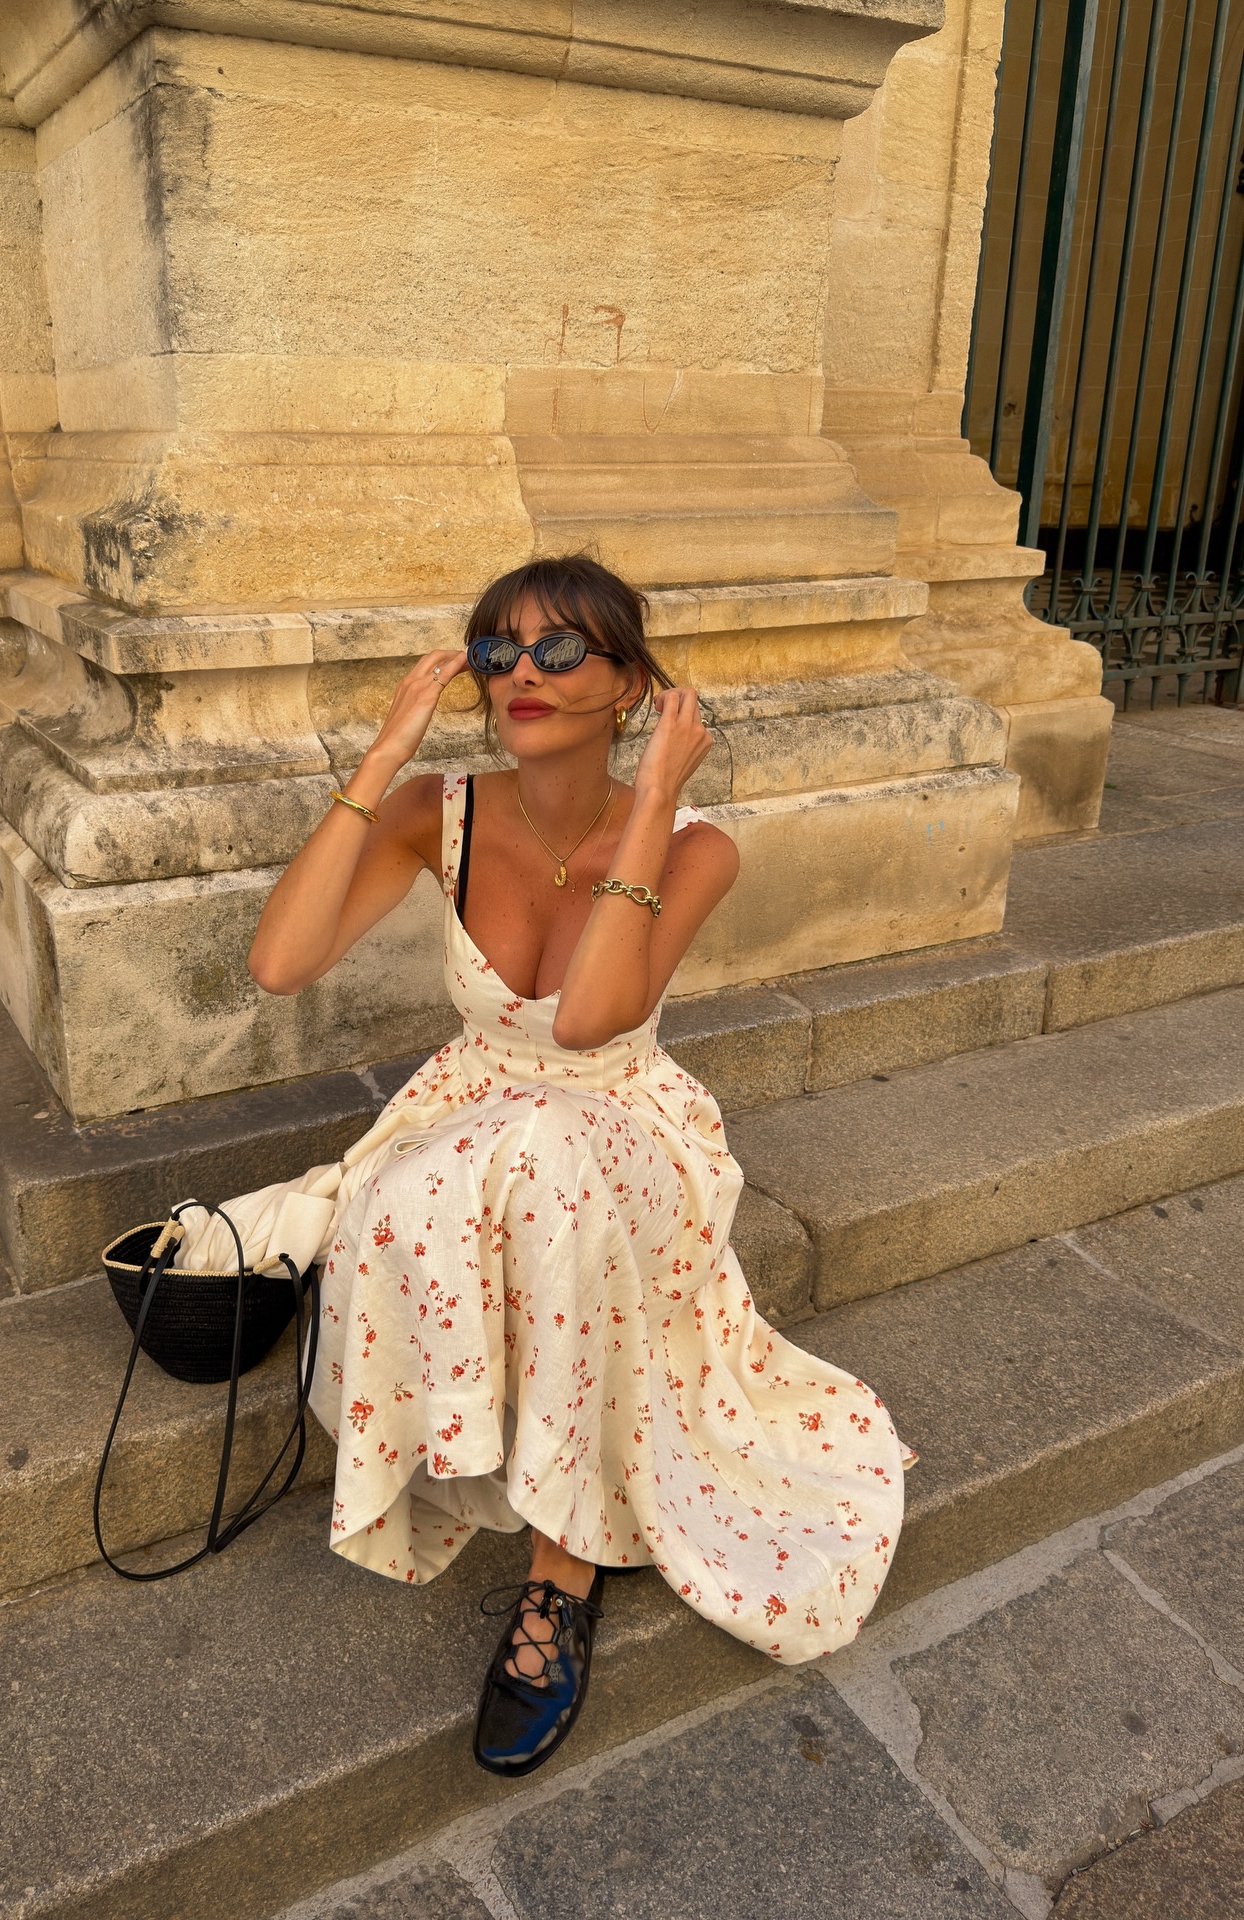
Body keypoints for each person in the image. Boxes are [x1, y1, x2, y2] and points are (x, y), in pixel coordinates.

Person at [249, 554, 908, 1779]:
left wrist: (654, 794)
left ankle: (564, 1571)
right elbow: (281, 963)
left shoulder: (698, 845)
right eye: (500, 651)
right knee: (434, 1180)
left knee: (543, 1164)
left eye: (562, 653)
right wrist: (382, 760)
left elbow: (592, 1017)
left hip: (625, 1131)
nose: (524, 676)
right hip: (475, 1108)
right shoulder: (432, 813)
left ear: (629, 685)